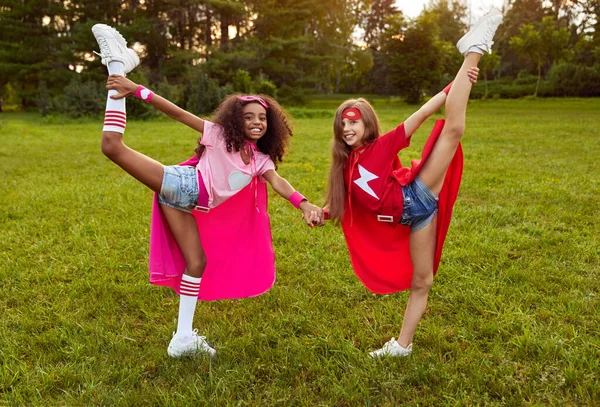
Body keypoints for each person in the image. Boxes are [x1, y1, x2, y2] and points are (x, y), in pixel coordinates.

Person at [91, 24, 324, 358]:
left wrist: (303, 204)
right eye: (249, 117)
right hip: (180, 185)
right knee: (112, 147)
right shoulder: (218, 135)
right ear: (235, 121)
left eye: (263, 118)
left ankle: (183, 339)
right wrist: (136, 90)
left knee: (197, 262)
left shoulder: (260, 159)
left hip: (182, 204)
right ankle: (117, 66)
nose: (257, 122)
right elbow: (178, 112)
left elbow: (278, 183)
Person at [323, 10, 503, 357]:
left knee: (453, 130)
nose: (348, 129)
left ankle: (474, 49)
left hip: (416, 194)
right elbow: (347, 201)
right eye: (343, 125)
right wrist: (323, 211)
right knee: (422, 281)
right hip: (417, 217)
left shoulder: (381, 146)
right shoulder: (344, 166)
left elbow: (420, 115)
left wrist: (456, 83)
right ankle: (402, 347)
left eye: (354, 123)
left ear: (366, 125)